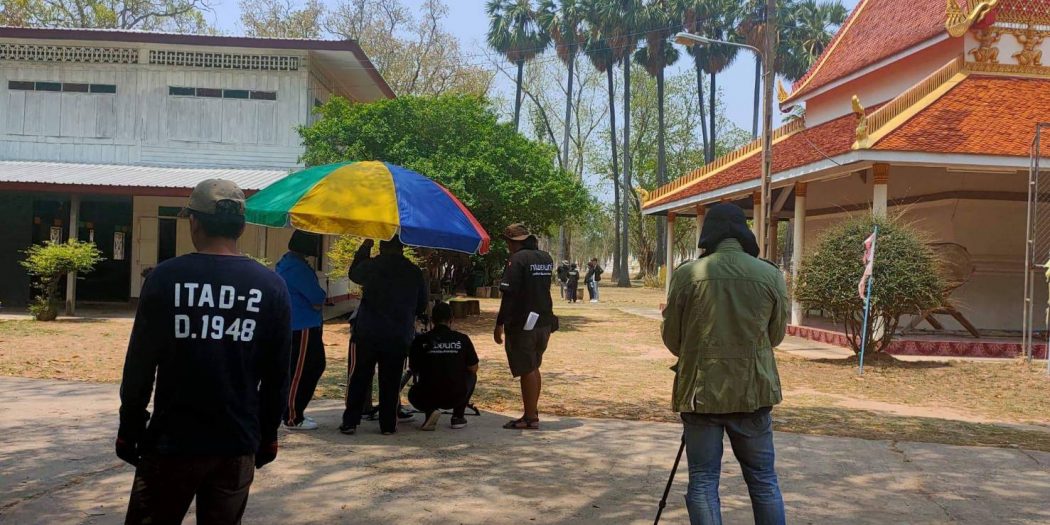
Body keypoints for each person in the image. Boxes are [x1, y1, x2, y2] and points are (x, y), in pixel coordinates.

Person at [117, 179, 291, 524]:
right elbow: (277, 375)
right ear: (241, 227)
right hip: (235, 443)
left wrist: (130, 426)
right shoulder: (270, 286)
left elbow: (140, 364)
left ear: (194, 222)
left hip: (171, 442)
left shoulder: (165, 279)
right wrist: (268, 434)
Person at [661, 203, 788, 525]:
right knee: (763, 481)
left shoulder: (688, 274)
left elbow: (673, 340)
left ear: (709, 234)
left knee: (703, 481)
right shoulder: (770, 274)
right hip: (752, 392)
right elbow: (775, 337)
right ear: (745, 233)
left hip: (701, 394)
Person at [340, 236, 427, 435]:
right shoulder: (413, 271)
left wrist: (364, 248)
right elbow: (421, 305)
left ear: (381, 247)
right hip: (398, 334)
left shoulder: (372, 266)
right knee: (391, 381)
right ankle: (388, 425)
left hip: (367, 332)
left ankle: (350, 422)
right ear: (402, 248)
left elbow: (354, 274)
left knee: (359, 378)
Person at [493, 223, 557, 430]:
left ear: (513, 242)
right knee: (534, 366)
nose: (507, 246)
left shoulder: (517, 259)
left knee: (526, 368)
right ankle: (532, 411)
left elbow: (509, 296)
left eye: (508, 242)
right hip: (544, 321)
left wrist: (499, 323)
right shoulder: (545, 258)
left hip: (522, 323)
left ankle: (530, 417)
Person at [276, 230, 327, 431]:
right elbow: (317, 297)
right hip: (303, 326)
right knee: (302, 371)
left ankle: (293, 411)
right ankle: (292, 417)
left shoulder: (286, 263)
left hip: (296, 324)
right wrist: (319, 299)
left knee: (308, 367)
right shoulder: (298, 268)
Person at [407, 302, 479, 431]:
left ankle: (430, 411)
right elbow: (473, 368)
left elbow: (414, 368)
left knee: (412, 393)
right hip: (456, 395)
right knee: (471, 375)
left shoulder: (421, 340)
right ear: (451, 319)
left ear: (432, 320)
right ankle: (458, 416)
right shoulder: (462, 339)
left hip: (427, 395)